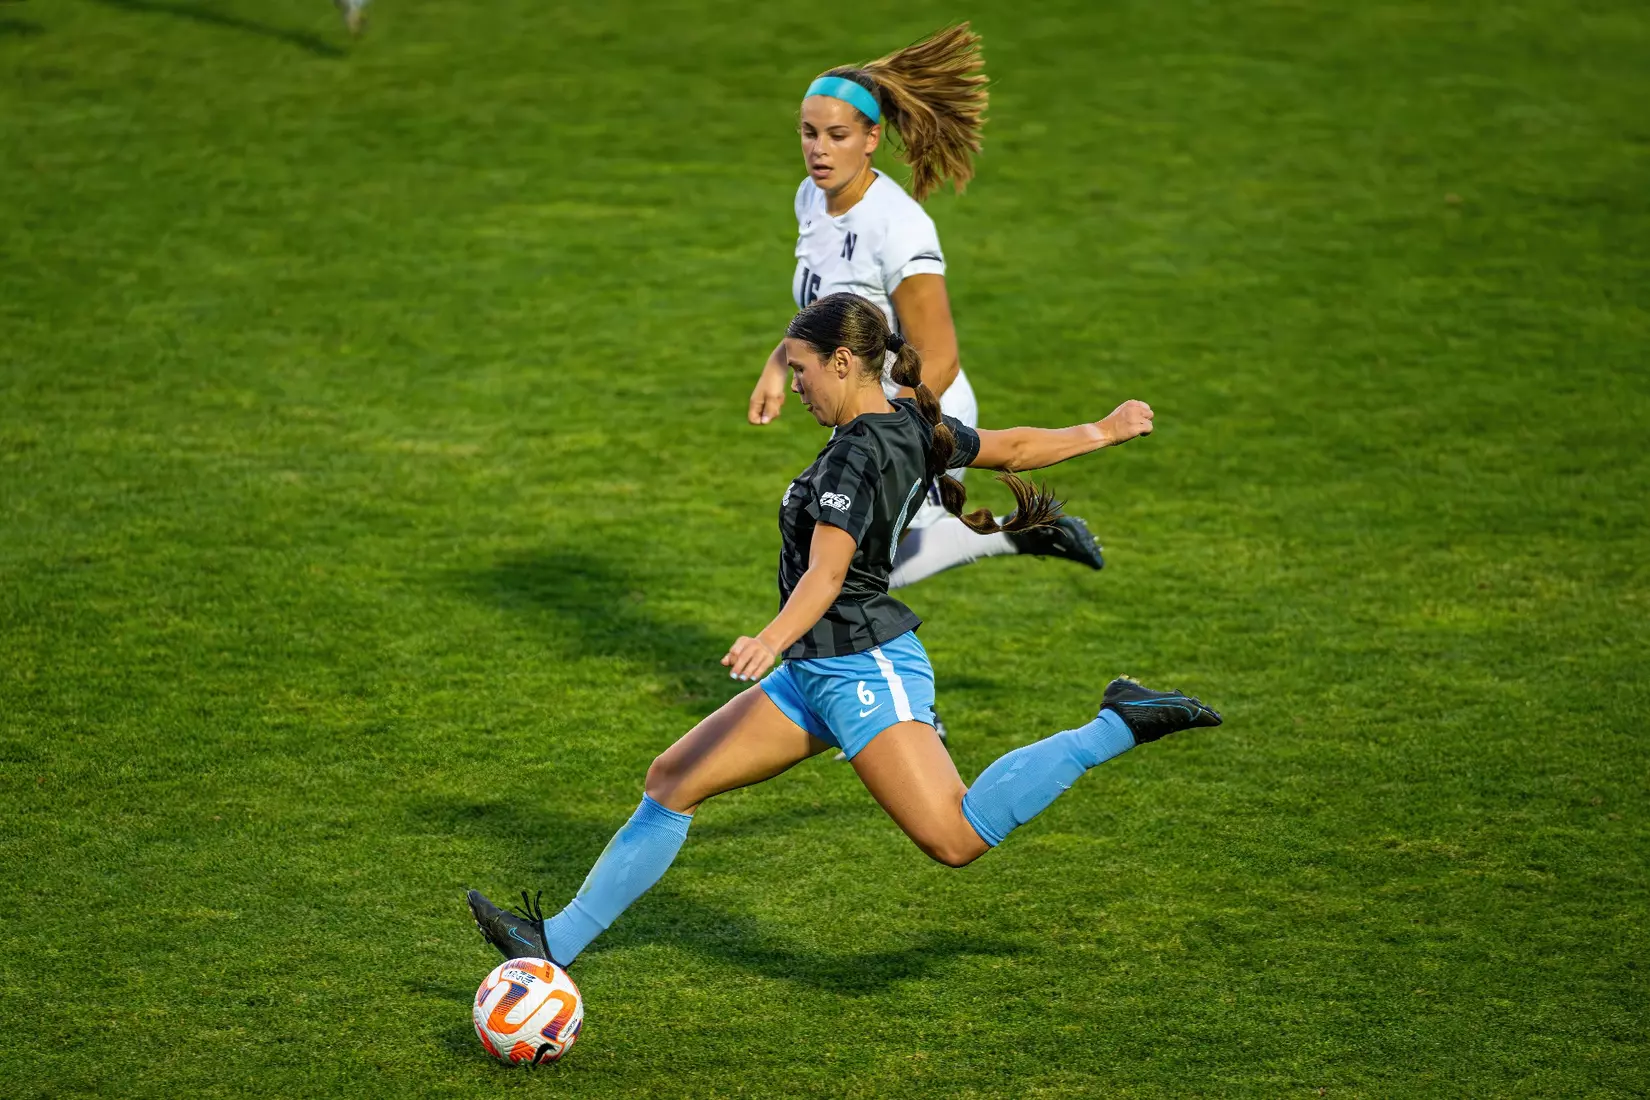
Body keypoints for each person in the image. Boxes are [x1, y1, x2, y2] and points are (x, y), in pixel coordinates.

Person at [467, 293, 1221, 968]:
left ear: (841, 361)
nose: (794, 385)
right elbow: (1012, 448)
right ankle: (555, 941)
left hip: (863, 667)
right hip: (818, 668)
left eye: (800, 371)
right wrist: (1105, 429)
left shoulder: (856, 456)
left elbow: (827, 574)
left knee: (955, 838)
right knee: (672, 780)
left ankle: (1117, 722)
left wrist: (769, 636)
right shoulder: (906, 424)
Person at [747, 24, 1106, 594]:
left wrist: (891, 434)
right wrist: (779, 362)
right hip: (865, 409)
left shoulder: (899, 228)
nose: (818, 149)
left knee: (841, 579)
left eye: (837, 135)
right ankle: (1020, 535)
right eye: (808, 133)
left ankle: (1017, 535)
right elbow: (827, 304)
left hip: (915, 411)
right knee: (839, 569)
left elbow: (939, 354)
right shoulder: (811, 197)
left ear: (871, 138)